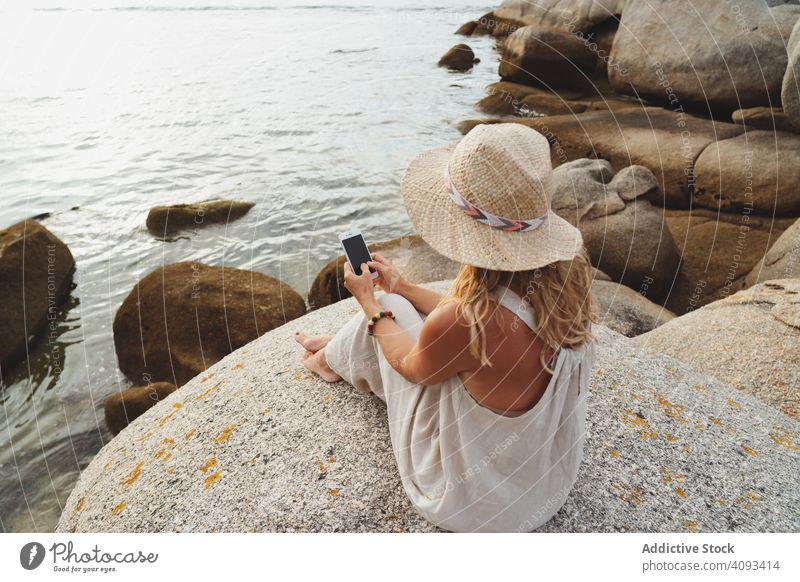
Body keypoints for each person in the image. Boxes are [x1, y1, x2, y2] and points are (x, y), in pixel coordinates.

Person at [294, 124, 597, 532]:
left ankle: (330, 360)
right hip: (543, 485)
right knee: (399, 301)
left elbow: (407, 363)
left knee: (388, 309)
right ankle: (336, 351)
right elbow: (482, 331)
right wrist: (405, 286)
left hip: (472, 503)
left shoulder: (467, 321)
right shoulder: (567, 280)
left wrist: (369, 301)